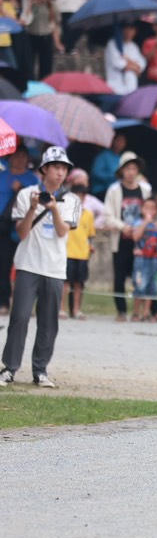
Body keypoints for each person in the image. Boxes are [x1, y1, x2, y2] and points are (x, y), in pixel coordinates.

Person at [1, 147, 80, 387]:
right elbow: (22, 233)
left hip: (55, 268)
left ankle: (41, 370)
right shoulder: (26, 194)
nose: (60, 173)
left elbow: (62, 231)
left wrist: (55, 208)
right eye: (55, 167)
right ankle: (9, 368)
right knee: (20, 317)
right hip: (28, 264)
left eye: (64, 168)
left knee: (48, 321)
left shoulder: (72, 200)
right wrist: (34, 208)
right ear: (44, 169)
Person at [101, 152, 152, 321]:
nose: (131, 172)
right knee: (120, 276)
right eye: (128, 168)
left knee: (141, 274)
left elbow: (150, 210)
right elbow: (108, 215)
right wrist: (123, 227)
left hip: (141, 240)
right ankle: (121, 310)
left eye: (134, 168)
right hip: (121, 239)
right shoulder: (114, 190)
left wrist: (141, 227)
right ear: (122, 170)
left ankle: (142, 311)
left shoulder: (145, 189)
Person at [0, 146, 39, 313]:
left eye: (23, 156)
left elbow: (37, 201)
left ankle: (24, 304)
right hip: (3, 226)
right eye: (16, 155)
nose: (20, 159)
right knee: (3, 265)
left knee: (26, 266)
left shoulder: (33, 179)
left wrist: (20, 189)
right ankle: (3, 302)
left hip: (24, 224)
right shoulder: (2, 175)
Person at [63, 171, 94, 320]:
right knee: (65, 283)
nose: (80, 198)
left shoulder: (88, 214)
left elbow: (91, 235)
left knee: (79, 284)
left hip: (82, 253)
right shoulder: (64, 211)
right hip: (67, 252)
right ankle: (61, 309)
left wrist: (90, 247)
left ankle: (76, 310)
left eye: (82, 196)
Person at [131, 197, 157, 321]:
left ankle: (146, 312)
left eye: (153, 208)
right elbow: (135, 237)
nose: (149, 210)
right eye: (147, 208)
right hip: (141, 259)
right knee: (140, 285)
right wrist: (145, 222)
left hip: (155, 259)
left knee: (152, 286)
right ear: (142, 209)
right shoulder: (137, 223)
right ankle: (136, 312)